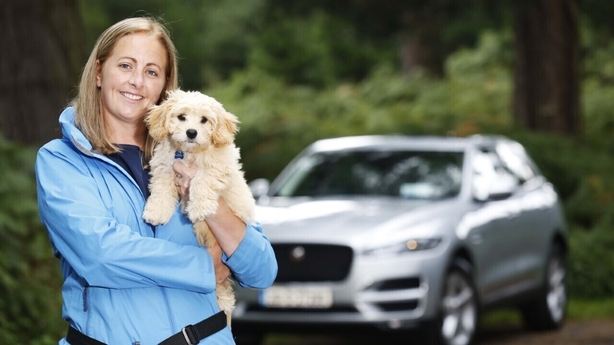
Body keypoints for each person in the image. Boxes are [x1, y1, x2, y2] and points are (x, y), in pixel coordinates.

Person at [35, 17, 277, 345]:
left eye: (151, 71)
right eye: (125, 65)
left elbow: (261, 270)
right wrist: (205, 266)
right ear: (97, 72)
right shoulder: (61, 160)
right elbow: (101, 255)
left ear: (164, 86)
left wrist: (209, 200)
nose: (137, 81)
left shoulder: (198, 152)